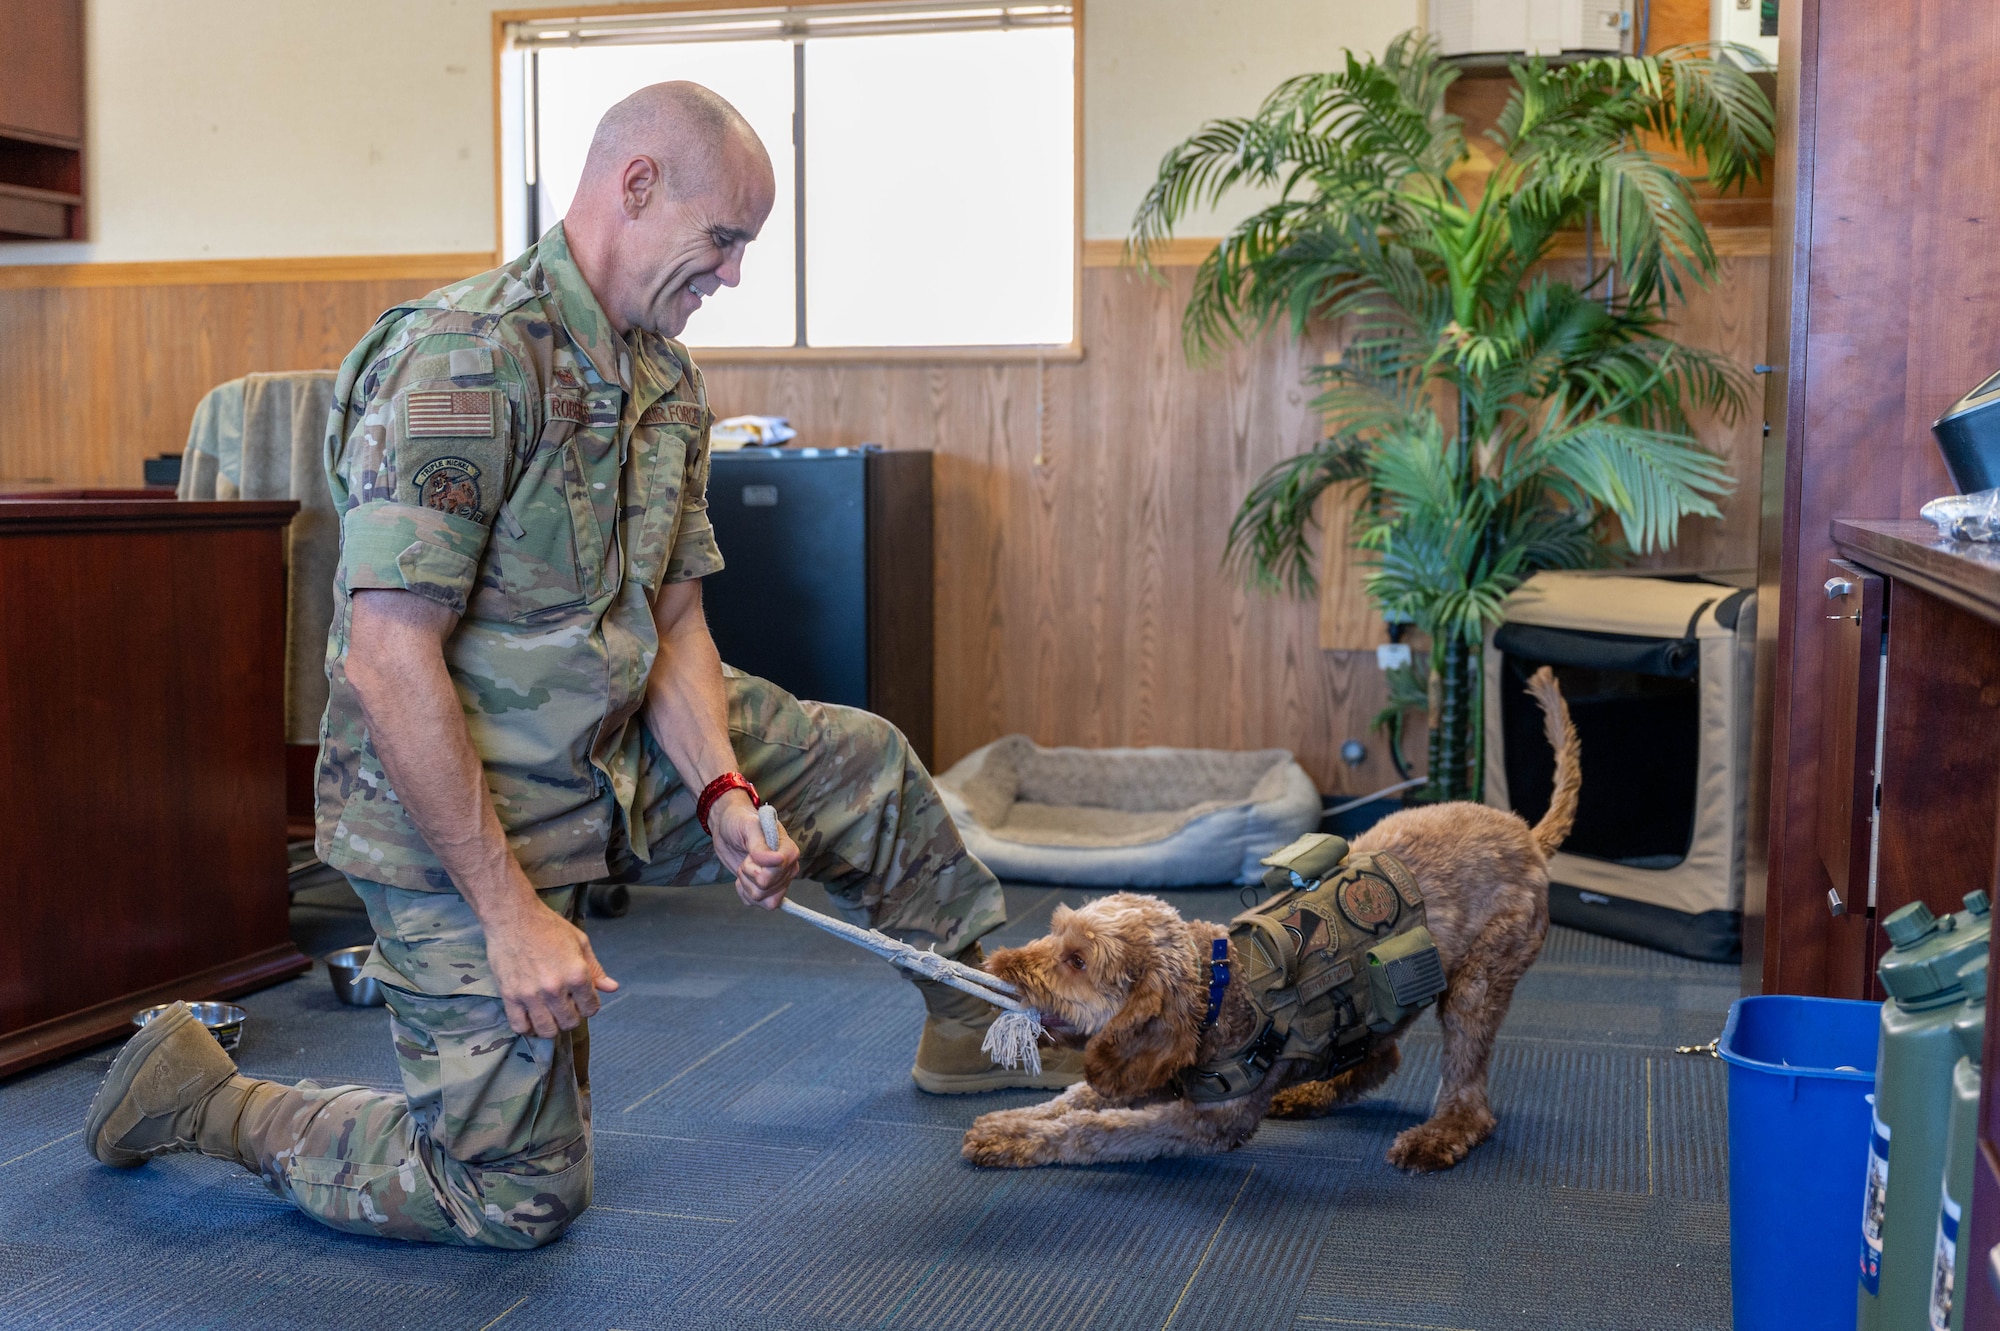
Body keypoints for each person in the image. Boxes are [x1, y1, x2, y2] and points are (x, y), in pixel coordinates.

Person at [82, 81, 1079, 1249]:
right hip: (452, 807)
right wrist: (511, 915)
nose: (734, 273)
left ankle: (978, 1022)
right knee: (515, 1198)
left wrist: (722, 792)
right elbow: (386, 658)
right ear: (637, 187)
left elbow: (675, 622)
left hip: (605, 752)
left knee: (862, 764)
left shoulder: (664, 377)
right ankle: (208, 1097)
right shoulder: (464, 358)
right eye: (725, 239)